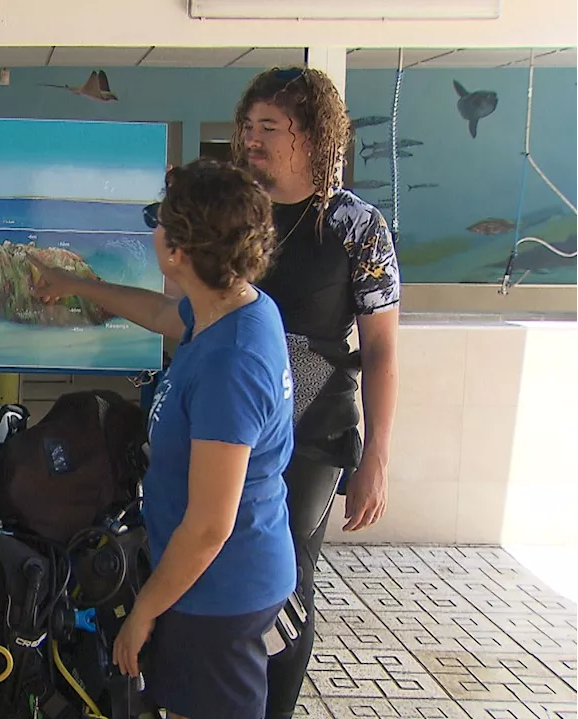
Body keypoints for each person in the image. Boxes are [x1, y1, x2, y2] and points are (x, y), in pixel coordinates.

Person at [33, 158, 295, 718]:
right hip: (211, 581)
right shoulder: (232, 306)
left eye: (159, 220)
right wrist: (74, 284)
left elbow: (208, 527)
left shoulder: (232, 363)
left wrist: (144, 612)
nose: (152, 230)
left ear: (176, 252)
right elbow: (158, 312)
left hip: (218, 592)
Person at [232, 67, 400, 719]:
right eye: (247, 126)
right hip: (233, 418)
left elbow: (382, 350)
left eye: (268, 127)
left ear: (311, 135)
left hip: (313, 427)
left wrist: (376, 458)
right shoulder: (235, 214)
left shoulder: (356, 225)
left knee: (286, 584)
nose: (252, 139)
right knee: (223, 568)